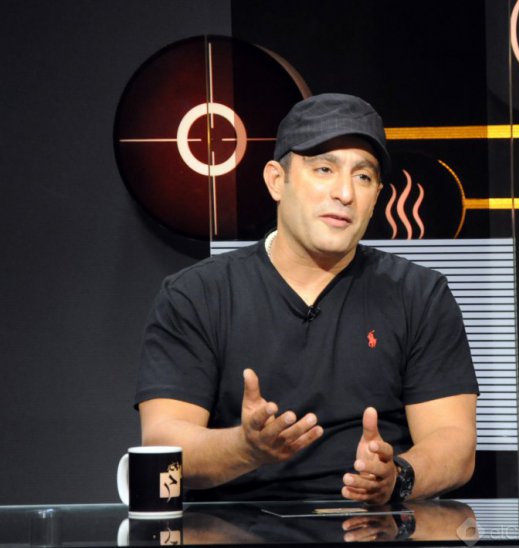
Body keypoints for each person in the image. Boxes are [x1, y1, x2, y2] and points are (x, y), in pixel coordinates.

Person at [136, 93, 479, 504]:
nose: (345, 193)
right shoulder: (197, 295)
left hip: (376, 523)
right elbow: (162, 443)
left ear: (377, 197)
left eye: (363, 177)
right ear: (275, 181)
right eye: (323, 169)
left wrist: (397, 477)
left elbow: (454, 443)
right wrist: (245, 448)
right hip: (233, 524)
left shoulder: (418, 294)